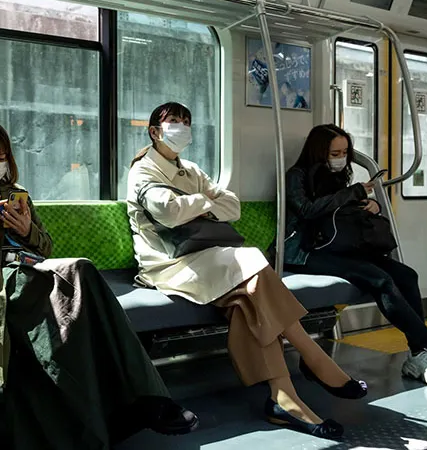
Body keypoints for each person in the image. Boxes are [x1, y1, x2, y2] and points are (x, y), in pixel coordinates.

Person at [0, 118, 197, 449]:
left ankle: (140, 403)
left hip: (31, 269)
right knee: (80, 275)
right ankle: (148, 400)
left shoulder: (17, 195)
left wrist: (27, 230)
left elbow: (45, 248)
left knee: (80, 282)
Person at [127, 102, 367, 439]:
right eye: (173, 122)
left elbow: (233, 206)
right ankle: (314, 359)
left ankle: (284, 398)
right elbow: (167, 212)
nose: (181, 127)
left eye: (186, 121)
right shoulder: (143, 171)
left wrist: (197, 204)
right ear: (154, 131)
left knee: (248, 298)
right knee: (253, 263)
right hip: (169, 264)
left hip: (205, 256)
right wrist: (207, 203)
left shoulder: (191, 170)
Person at [283, 124, 427, 385]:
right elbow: (307, 210)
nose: (341, 158)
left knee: (407, 275)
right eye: (335, 153)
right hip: (307, 250)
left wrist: (368, 204)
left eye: (344, 152)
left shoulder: (338, 176)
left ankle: (419, 354)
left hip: (339, 245)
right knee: (379, 279)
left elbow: (340, 209)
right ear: (319, 152)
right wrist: (353, 193)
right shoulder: (297, 175)